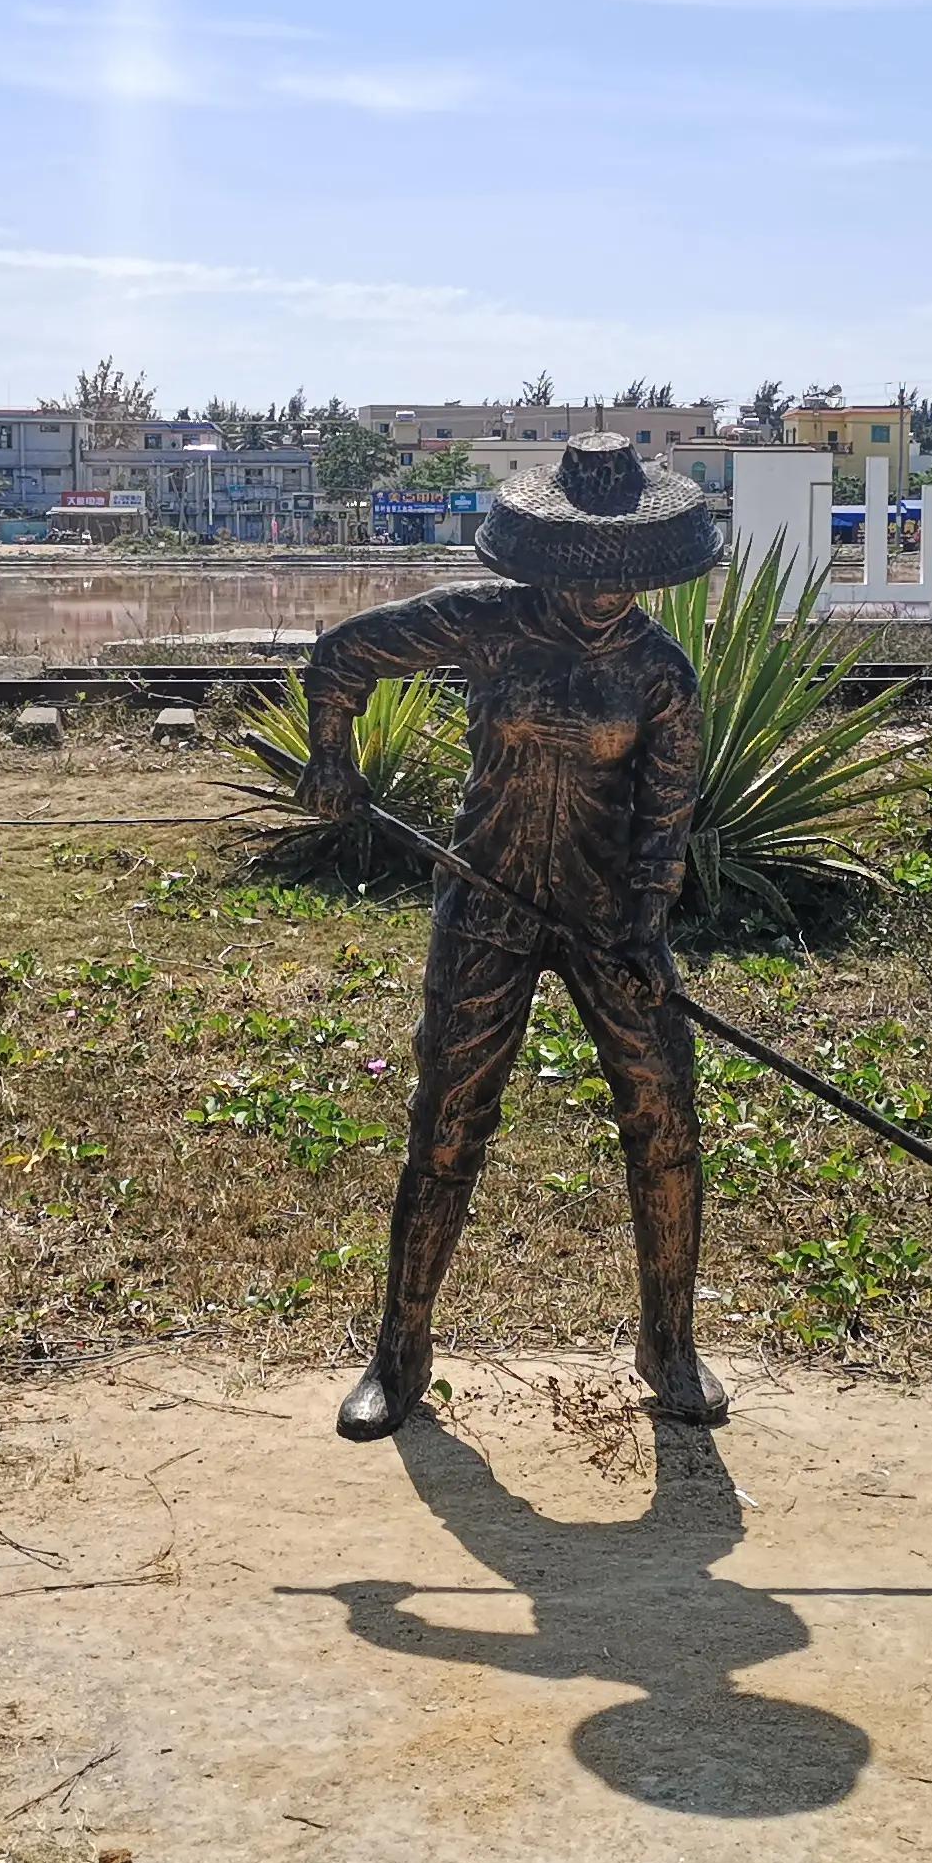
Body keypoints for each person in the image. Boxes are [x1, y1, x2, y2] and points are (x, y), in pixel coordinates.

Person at [299, 433, 724, 1441]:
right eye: (588, 571)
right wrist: (332, 759)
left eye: (624, 574)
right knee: (446, 1122)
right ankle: (400, 1352)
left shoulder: (660, 675)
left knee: (665, 1115)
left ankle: (668, 1342)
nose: (604, 591)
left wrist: (644, 926)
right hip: (485, 909)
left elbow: (666, 821)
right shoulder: (486, 625)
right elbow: (344, 655)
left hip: (608, 924)